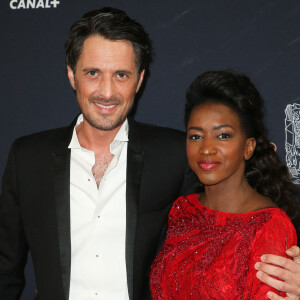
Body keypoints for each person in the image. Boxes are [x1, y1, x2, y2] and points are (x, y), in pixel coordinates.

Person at [0, 8, 299, 300]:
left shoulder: (174, 154)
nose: (106, 92)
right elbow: (6, 272)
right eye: (93, 73)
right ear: (71, 74)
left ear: (140, 80)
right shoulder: (27, 159)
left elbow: (240, 219)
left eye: (121, 75)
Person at [150, 70, 300, 299]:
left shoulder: (268, 226)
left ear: (248, 147)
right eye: (196, 136)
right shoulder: (182, 210)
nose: (206, 148)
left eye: (223, 136)